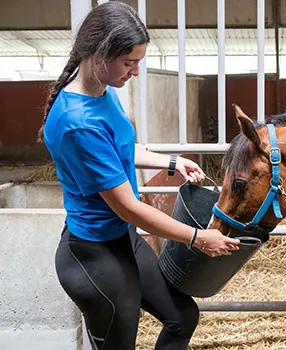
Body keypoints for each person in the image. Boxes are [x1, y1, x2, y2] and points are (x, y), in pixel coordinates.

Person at [37, 2, 240, 349]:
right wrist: (198, 237)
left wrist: (172, 162)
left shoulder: (101, 90)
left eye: (138, 63)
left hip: (122, 239)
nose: (134, 73)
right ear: (99, 53)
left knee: (182, 317)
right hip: (94, 253)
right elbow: (129, 207)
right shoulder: (77, 123)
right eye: (129, 63)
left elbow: (118, 150)